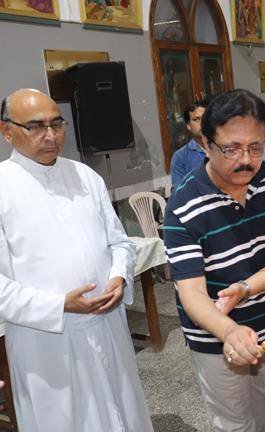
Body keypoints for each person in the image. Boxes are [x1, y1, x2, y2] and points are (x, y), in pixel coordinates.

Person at [0, 89, 153, 431]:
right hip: (46, 339)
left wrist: (119, 277)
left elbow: (119, 242)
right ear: (7, 130)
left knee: (123, 412)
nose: (50, 135)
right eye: (35, 126)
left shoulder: (85, 176)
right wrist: (59, 305)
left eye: (57, 124)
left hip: (106, 325)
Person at [163, 89, 265, 432]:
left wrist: (246, 287)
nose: (245, 159)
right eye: (231, 149)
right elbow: (192, 293)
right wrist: (229, 331)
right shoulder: (183, 205)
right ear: (206, 144)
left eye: (256, 147)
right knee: (234, 423)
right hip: (215, 334)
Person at [171, 101, 208, 188]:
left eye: (205, 118)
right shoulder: (180, 157)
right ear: (188, 125)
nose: (202, 123)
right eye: (196, 119)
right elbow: (179, 191)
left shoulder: (224, 148)